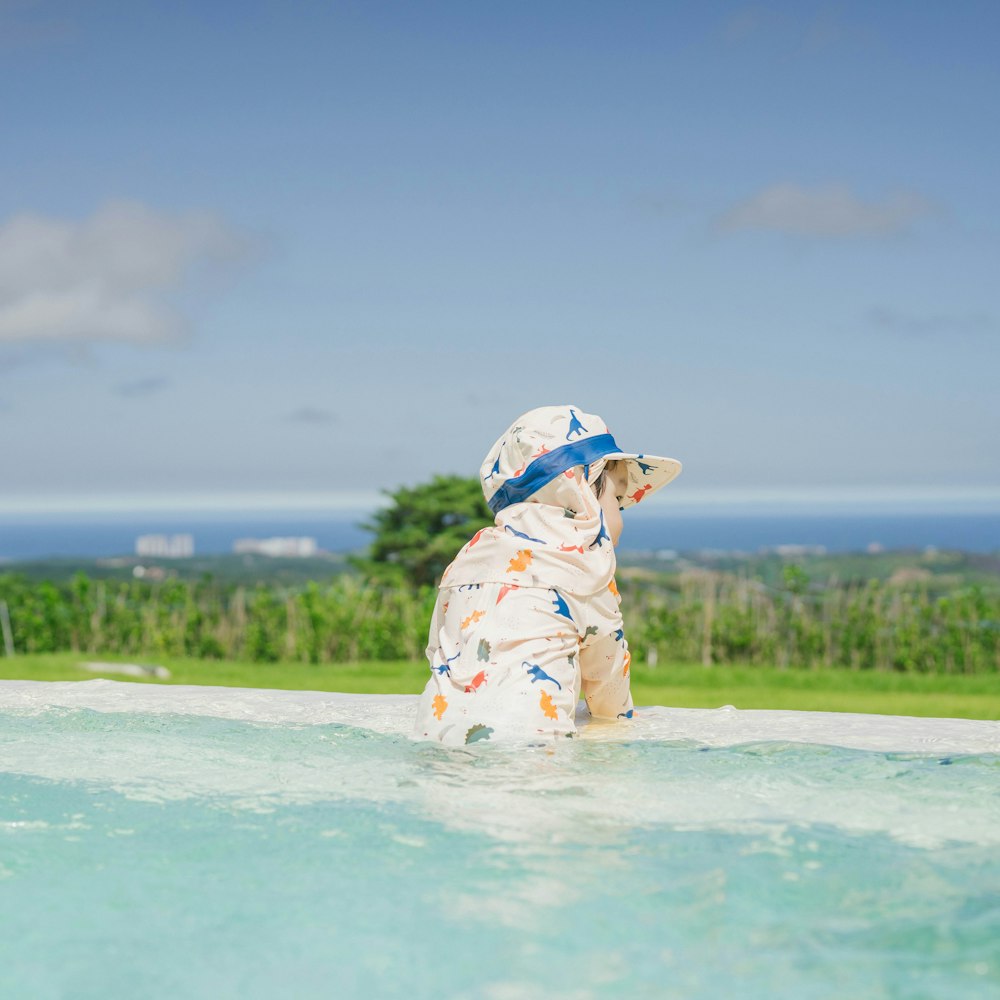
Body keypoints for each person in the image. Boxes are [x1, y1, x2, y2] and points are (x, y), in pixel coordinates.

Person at [412, 404, 682, 745]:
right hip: (532, 758)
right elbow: (608, 691)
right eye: (616, 496)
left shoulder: (468, 559)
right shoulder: (583, 566)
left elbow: (438, 651)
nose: (621, 514)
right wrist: (620, 720)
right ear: (581, 491)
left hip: (435, 745)